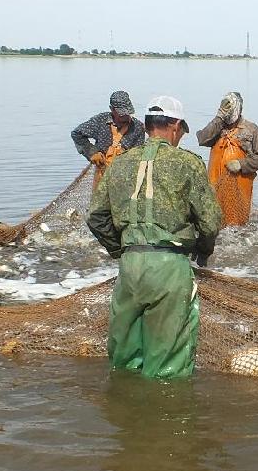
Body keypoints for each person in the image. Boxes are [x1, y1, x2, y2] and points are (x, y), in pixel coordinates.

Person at [87, 96, 222, 379]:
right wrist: (203, 251)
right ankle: (164, 405)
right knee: (168, 364)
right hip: (169, 267)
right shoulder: (188, 163)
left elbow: (96, 217)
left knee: (124, 360)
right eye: (182, 131)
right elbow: (209, 222)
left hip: (130, 267)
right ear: (174, 126)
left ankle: (123, 403)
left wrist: (120, 250)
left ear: (148, 126)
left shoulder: (120, 162)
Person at [195, 91, 258, 226]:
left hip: (238, 187)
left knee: (237, 224)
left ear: (239, 108)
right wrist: (219, 117)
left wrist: (242, 164)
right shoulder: (217, 127)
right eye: (225, 108)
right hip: (215, 185)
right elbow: (202, 139)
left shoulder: (251, 129)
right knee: (214, 221)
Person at [71, 90, 146, 179]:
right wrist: (92, 152)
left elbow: (138, 155)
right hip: (102, 173)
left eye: (127, 113)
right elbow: (77, 134)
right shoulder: (100, 121)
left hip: (126, 175)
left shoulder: (138, 127)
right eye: (121, 113)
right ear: (112, 109)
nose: (125, 116)